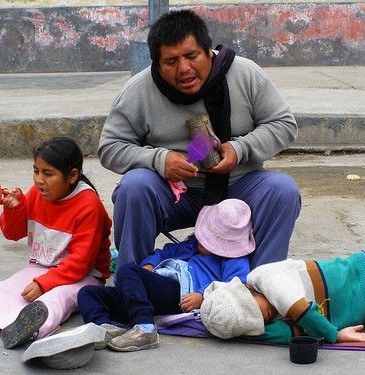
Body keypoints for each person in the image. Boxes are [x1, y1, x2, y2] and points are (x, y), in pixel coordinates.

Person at [98, 9, 301, 270]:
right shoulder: (138, 91)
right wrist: (159, 160)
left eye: (191, 56)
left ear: (208, 51)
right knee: (134, 186)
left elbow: (283, 124)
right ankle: (135, 285)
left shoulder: (246, 74)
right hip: (175, 194)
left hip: (238, 189)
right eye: (171, 62)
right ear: (156, 65)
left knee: (282, 190)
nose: (184, 69)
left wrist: (240, 150)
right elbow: (110, 147)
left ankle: (262, 287)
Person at [0, 137, 112, 349]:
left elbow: (81, 262)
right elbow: (12, 233)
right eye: (36, 171)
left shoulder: (88, 205)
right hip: (41, 266)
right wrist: (14, 208)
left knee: (57, 299)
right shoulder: (37, 193)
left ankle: (31, 330)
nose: (39, 179)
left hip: (84, 276)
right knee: (6, 288)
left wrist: (44, 284)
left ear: (72, 176)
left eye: (48, 173)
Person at [77, 198, 254, 352]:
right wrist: (150, 263)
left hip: (179, 294)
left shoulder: (234, 260)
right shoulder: (193, 244)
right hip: (149, 293)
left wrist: (202, 295)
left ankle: (145, 328)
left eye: (210, 240)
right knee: (87, 293)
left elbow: (234, 287)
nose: (202, 240)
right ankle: (103, 329)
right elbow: (166, 252)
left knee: (127, 271)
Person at [200, 251, 365, 355]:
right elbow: (279, 334)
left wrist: (335, 336)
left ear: (247, 289)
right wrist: (253, 331)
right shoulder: (265, 318)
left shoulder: (265, 278)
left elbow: (304, 312)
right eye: (262, 321)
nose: (268, 317)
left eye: (263, 311)